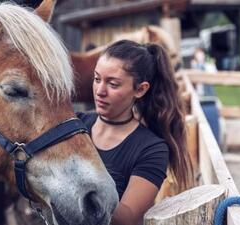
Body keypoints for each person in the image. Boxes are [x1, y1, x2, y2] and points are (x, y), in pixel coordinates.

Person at [76, 40, 193, 225]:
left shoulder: (152, 149)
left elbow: (126, 217)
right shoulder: (74, 125)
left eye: (113, 84)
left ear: (140, 89)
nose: (100, 91)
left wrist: (72, 186)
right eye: (97, 79)